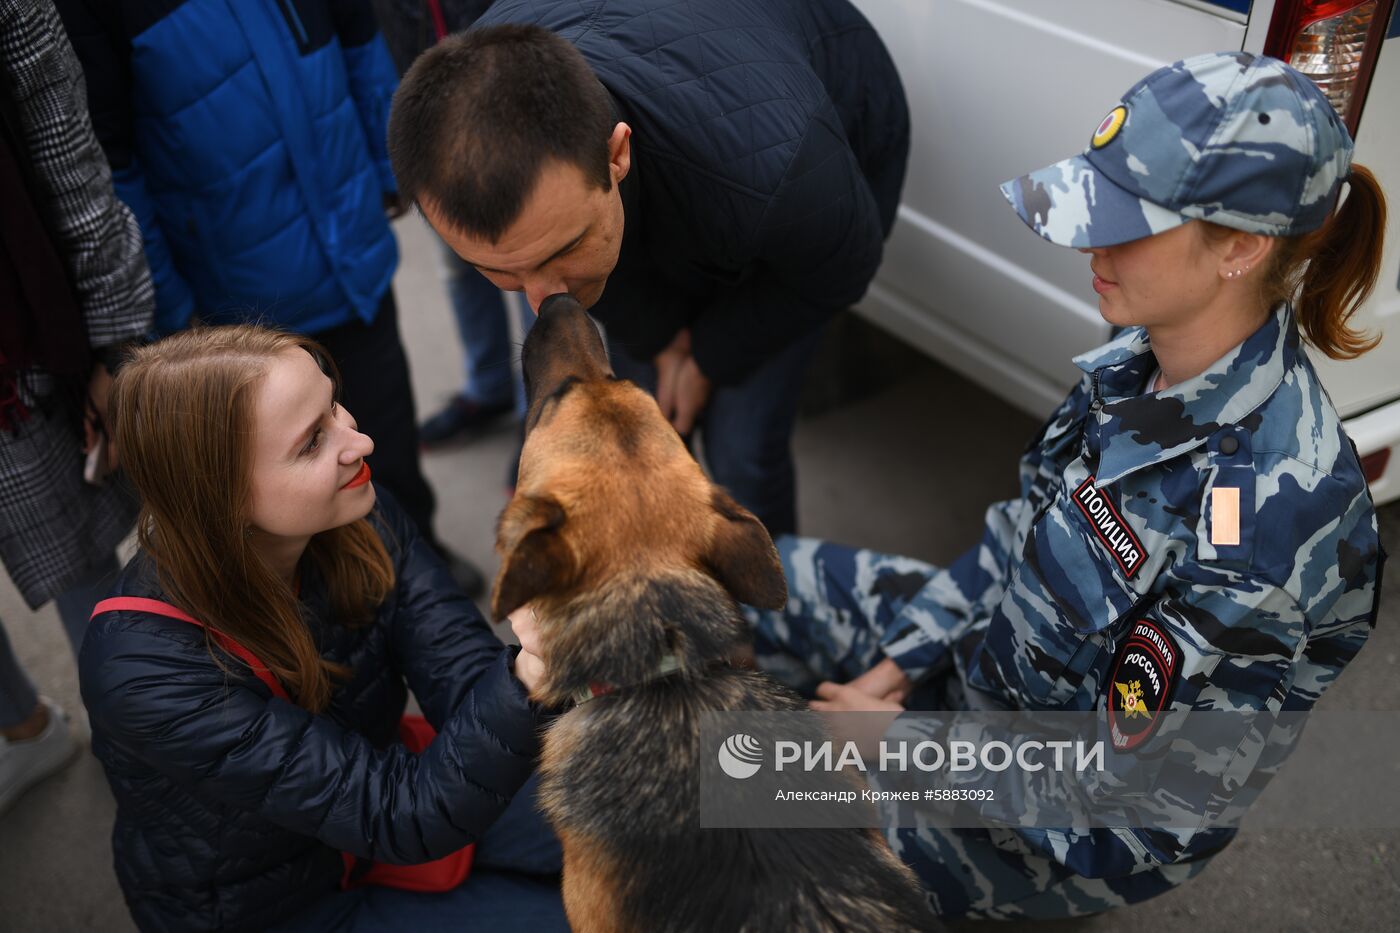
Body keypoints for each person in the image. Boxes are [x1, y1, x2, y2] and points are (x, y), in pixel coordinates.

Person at [747, 52, 1386, 919]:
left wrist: (895, 746)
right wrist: (900, 668)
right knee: (731, 579)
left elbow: (1131, 806)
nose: (1092, 240)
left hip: (1041, 826)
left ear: (1240, 246)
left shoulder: (1265, 526)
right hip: (982, 677)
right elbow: (1023, 527)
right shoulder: (1137, 362)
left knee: (735, 832)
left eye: (1132, 219)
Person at [83, 326, 567, 932]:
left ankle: (731, 805)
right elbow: (399, 816)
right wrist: (533, 668)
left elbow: (466, 683)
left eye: (333, 403)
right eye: (312, 441)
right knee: (601, 911)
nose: (360, 440)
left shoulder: (362, 516)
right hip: (280, 904)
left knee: (687, 805)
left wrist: (579, 642)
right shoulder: (143, 669)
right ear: (221, 499)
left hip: (394, 799)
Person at [386, 1, 910, 536]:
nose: (545, 303)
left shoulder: (779, 169)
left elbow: (841, 267)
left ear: (616, 154)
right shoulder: (453, 147)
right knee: (651, 424)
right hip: (679, 177)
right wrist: (663, 341)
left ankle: (769, 609)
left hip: (804, 167)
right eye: (505, 272)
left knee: (743, 447)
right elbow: (584, 263)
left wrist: (706, 359)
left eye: (560, 251)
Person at [54, 0, 487, 595]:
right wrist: (175, 309)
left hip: (348, 259)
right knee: (283, 491)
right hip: (238, 303)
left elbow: (358, 38)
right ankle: (334, 613)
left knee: (384, 440)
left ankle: (422, 567)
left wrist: (393, 167)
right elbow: (113, 162)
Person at [0, 0, 154, 815]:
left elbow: (68, 151)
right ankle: (24, 727)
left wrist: (115, 341)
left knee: (78, 551)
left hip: (22, 343)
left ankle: (139, 734)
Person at [371, 0, 535, 450]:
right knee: (462, 264)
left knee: (527, 272)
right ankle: (489, 389)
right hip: (427, 126)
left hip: (514, 120)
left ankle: (535, 415)